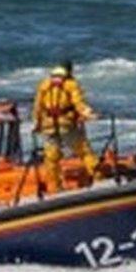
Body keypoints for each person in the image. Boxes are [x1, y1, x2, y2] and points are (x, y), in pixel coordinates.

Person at [32, 63, 101, 191]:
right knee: (84, 151)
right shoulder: (70, 84)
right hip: (66, 125)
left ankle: (56, 186)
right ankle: (98, 177)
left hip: (48, 126)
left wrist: (36, 123)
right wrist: (89, 114)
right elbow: (78, 103)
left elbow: (37, 106)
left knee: (51, 157)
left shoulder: (44, 84)